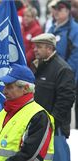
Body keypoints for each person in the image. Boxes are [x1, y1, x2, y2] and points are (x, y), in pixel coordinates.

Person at [0, 63, 55, 161]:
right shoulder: (2, 113)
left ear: (25, 88)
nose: (4, 91)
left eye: (9, 86)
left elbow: (30, 155)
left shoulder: (39, 116)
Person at [31, 33, 76, 161]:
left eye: (39, 47)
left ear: (49, 48)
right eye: (35, 47)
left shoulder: (62, 69)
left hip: (55, 129)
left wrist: (52, 122)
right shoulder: (37, 65)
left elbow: (66, 100)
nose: (35, 49)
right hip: (39, 126)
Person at [48, 0, 78, 129]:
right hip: (51, 76)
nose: (56, 12)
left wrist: (67, 74)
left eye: (60, 9)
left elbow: (76, 56)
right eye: (55, 9)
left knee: (64, 106)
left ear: (67, 11)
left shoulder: (74, 29)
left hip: (66, 76)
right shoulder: (52, 28)